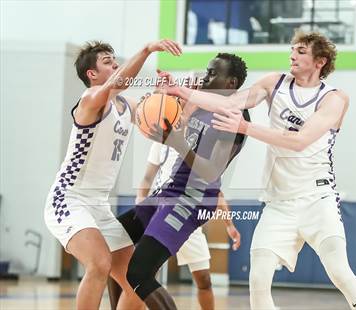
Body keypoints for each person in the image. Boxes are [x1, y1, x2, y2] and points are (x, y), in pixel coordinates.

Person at [162, 31, 356, 310]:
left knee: (340, 272)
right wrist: (182, 91)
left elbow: (299, 141)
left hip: (317, 198)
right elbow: (230, 102)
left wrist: (246, 128)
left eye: (301, 51)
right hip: (279, 203)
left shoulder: (334, 99)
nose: (292, 55)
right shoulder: (274, 83)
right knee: (258, 277)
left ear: (320, 61)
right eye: (292, 49)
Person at [43, 39, 181, 310]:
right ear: (91, 74)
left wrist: (167, 93)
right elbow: (119, 83)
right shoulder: (90, 100)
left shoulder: (126, 106)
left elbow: (154, 110)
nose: (116, 64)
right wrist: (146, 50)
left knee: (136, 279)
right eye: (108, 62)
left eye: (115, 60)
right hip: (68, 199)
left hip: (99, 206)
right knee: (99, 262)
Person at [117, 52, 249, 309]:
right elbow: (171, 112)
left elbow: (211, 171)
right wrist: (167, 91)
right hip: (169, 191)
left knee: (139, 273)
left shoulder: (234, 117)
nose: (205, 77)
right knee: (114, 244)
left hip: (192, 199)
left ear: (230, 83)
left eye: (212, 73)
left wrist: (178, 144)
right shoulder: (202, 104)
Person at [108, 140, 241, 310]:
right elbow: (148, 177)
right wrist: (141, 202)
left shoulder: (200, 143)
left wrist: (228, 224)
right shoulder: (161, 144)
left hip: (186, 212)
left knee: (204, 280)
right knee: (141, 274)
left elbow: (216, 189)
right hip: (160, 212)